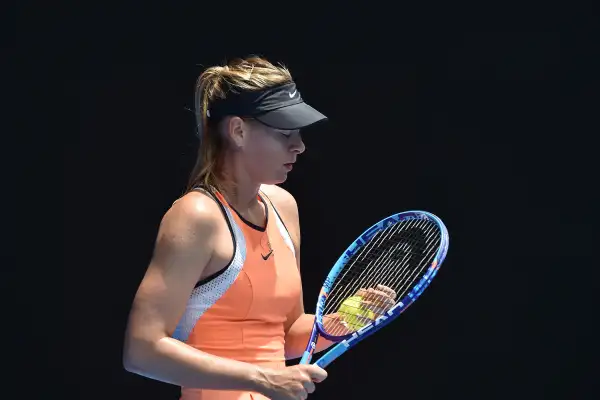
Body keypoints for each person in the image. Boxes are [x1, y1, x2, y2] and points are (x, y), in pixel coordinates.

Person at [122, 56, 394, 400]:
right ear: (238, 131)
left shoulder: (283, 206)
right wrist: (262, 379)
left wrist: (343, 321)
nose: (299, 146)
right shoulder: (196, 216)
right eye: (285, 134)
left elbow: (289, 333)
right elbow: (142, 350)